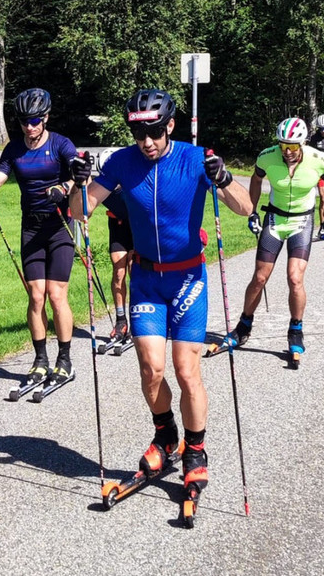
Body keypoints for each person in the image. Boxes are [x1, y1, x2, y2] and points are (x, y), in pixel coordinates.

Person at [69, 88, 252, 511]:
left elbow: (244, 208)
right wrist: (78, 184)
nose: (146, 141)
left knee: (187, 372)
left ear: (169, 125)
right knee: (151, 368)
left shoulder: (193, 158)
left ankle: (195, 449)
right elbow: (81, 212)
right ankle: (166, 435)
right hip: (147, 279)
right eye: (138, 133)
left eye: (153, 131)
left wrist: (223, 177)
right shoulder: (121, 162)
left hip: (188, 277)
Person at [212, 116, 324, 368]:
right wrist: (252, 211)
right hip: (275, 219)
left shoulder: (320, 160)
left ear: (303, 143)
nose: (287, 152)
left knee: (295, 278)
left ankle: (295, 330)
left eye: (292, 147)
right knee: (260, 277)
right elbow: (256, 180)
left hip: (302, 221)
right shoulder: (267, 156)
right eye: (283, 146)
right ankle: (243, 326)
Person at [0, 88, 78, 388]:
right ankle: (40, 359)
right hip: (31, 228)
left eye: (35, 120)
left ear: (45, 118)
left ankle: (64, 359)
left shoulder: (61, 144)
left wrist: (64, 188)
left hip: (60, 225)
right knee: (36, 295)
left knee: (57, 295)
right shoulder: (14, 149)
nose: (30, 127)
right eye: (24, 121)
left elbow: (78, 175)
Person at [97, 149, 134, 344]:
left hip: (136, 227)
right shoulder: (103, 187)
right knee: (118, 272)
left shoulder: (132, 180)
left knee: (133, 269)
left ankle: (138, 318)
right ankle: (121, 320)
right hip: (118, 226)